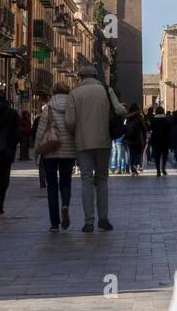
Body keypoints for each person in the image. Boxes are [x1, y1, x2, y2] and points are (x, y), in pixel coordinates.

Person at [64, 65, 126, 232]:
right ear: (96, 76)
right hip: (103, 140)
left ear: (80, 77)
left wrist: (77, 131)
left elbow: (69, 122)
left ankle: (88, 221)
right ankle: (103, 218)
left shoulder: (74, 93)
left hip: (83, 142)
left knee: (86, 180)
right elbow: (119, 110)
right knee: (102, 179)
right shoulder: (106, 90)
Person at [33, 82, 76, 230]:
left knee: (52, 187)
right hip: (68, 150)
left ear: (54, 92)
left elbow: (40, 130)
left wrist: (37, 150)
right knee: (65, 183)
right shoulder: (72, 107)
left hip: (50, 151)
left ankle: (54, 222)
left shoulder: (48, 107)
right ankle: (65, 205)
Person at [124, 103, 147, 175]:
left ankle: (132, 167)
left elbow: (125, 127)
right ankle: (135, 166)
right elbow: (144, 128)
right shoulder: (139, 117)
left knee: (131, 153)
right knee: (138, 153)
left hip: (129, 138)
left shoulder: (128, 117)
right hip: (138, 139)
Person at [149, 106, 172, 177]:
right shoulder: (166, 119)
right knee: (165, 154)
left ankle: (158, 170)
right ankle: (163, 168)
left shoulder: (153, 119)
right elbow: (169, 129)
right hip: (165, 139)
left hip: (155, 139)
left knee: (157, 155)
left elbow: (151, 128)